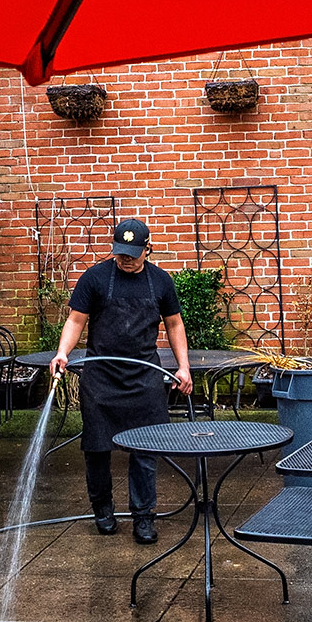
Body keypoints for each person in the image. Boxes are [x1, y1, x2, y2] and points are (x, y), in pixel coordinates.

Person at [49, 218, 192, 542]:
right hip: (102, 378)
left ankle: (144, 518)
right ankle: (103, 511)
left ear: (147, 249)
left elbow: (174, 325)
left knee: (145, 450)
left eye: (132, 253)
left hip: (144, 377)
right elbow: (76, 320)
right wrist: (62, 353)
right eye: (120, 252)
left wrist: (183, 367)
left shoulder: (160, 282)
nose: (125, 259)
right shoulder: (96, 278)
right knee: (97, 448)